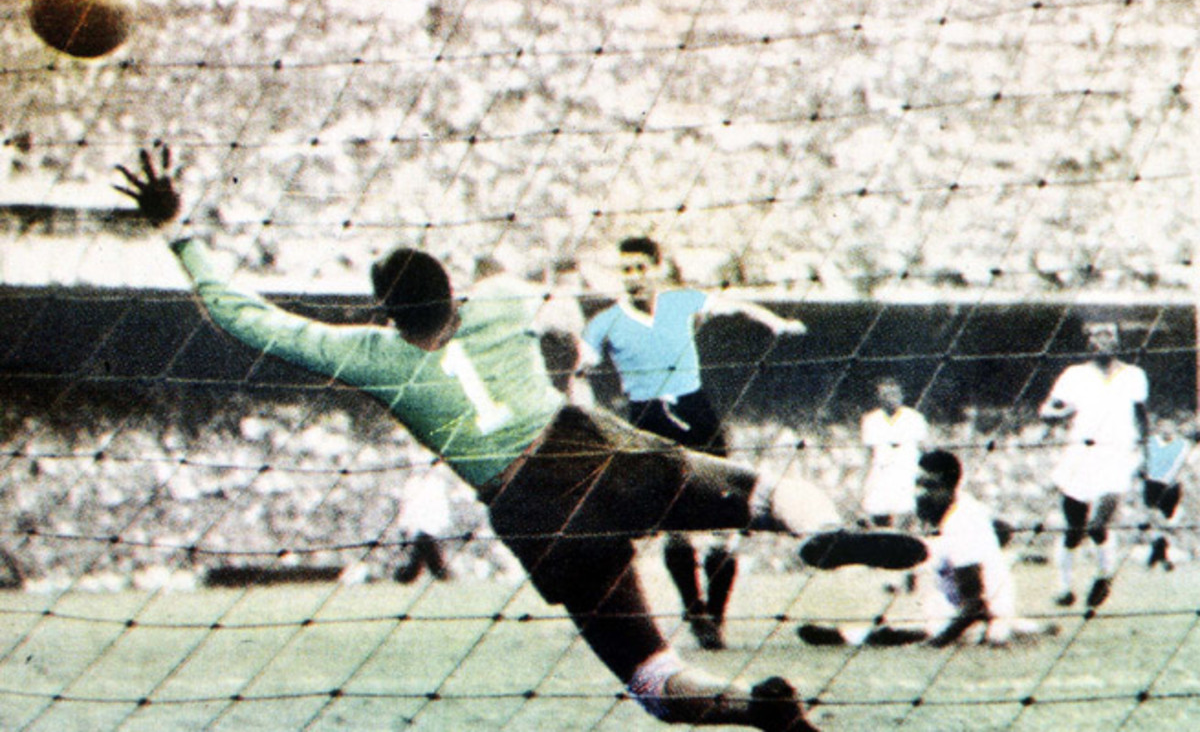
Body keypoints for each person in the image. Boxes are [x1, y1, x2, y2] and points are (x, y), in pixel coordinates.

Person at [115, 146, 910, 731]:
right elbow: (556, 304)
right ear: (454, 288)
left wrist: (178, 231)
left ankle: (753, 707)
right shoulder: (498, 299)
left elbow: (248, 318)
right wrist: (567, 357)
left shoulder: (369, 356)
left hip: (528, 507)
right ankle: (821, 533)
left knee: (651, 676)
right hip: (584, 442)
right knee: (761, 494)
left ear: (387, 316)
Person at [580, 235, 807, 650]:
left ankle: (714, 618)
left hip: (697, 410)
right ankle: (694, 607)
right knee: (677, 526)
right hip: (648, 421)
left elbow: (736, 303)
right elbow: (579, 363)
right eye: (625, 270)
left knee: (725, 520)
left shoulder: (681, 302)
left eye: (640, 268)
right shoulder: (605, 323)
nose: (633, 277)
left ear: (657, 268)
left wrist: (776, 322)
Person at [798, 450, 1055, 648]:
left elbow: (975, 604)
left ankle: (844, 636)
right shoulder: (955, 510)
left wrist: (934, 644)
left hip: (977, 619)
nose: (921, 493)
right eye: (919, 484)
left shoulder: (961, 521)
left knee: (897, 632)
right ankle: (1026, 627)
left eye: (930, 486)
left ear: (950, 486)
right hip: (970, 605)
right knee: (926, 562)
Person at [1039, 316, 1148, 609]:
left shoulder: (1134, 375)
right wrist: (1057, 415)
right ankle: (1063, 587)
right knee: (1074, 528)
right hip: (1079, 457)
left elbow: (1141, 416)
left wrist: (1147, 457)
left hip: (1116, 458)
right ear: (1089, 341)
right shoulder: (1074, 375)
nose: (1104, 339)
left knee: (1099, 525)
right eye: (1097, 334)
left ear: (1118, 339)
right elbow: (1048, 409)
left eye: (1109, 334)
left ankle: (1104, 577)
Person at [859, 377, 928, 530]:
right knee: (878, 515)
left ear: (901, 395)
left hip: (906, 473)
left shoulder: (914, 418)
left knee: (907, 517)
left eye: (893, 394)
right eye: (885, 395)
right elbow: (868, 454)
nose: (890, 399)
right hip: (881, 474)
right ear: (879, 397)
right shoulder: (870, 420)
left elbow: (925, 450)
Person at [1141, 417, 1191, 571]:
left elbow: (1184, 465)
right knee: (1156, 520)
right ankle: (1161, 556)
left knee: (1166, 522)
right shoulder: (1150, 442)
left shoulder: (1183, 444)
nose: (1166, 430)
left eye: (1170, 426)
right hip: (1153, 484)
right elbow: (1145, 462)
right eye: (1163, 426)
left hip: (1171, 486)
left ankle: (1157, 555)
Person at [392, 461, 454, 583]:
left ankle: (410, 576)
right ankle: (437, 574)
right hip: (421, 525)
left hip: (426, 524)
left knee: (423, 550)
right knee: (425, 549)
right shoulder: (415, 482)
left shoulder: (433, 482)